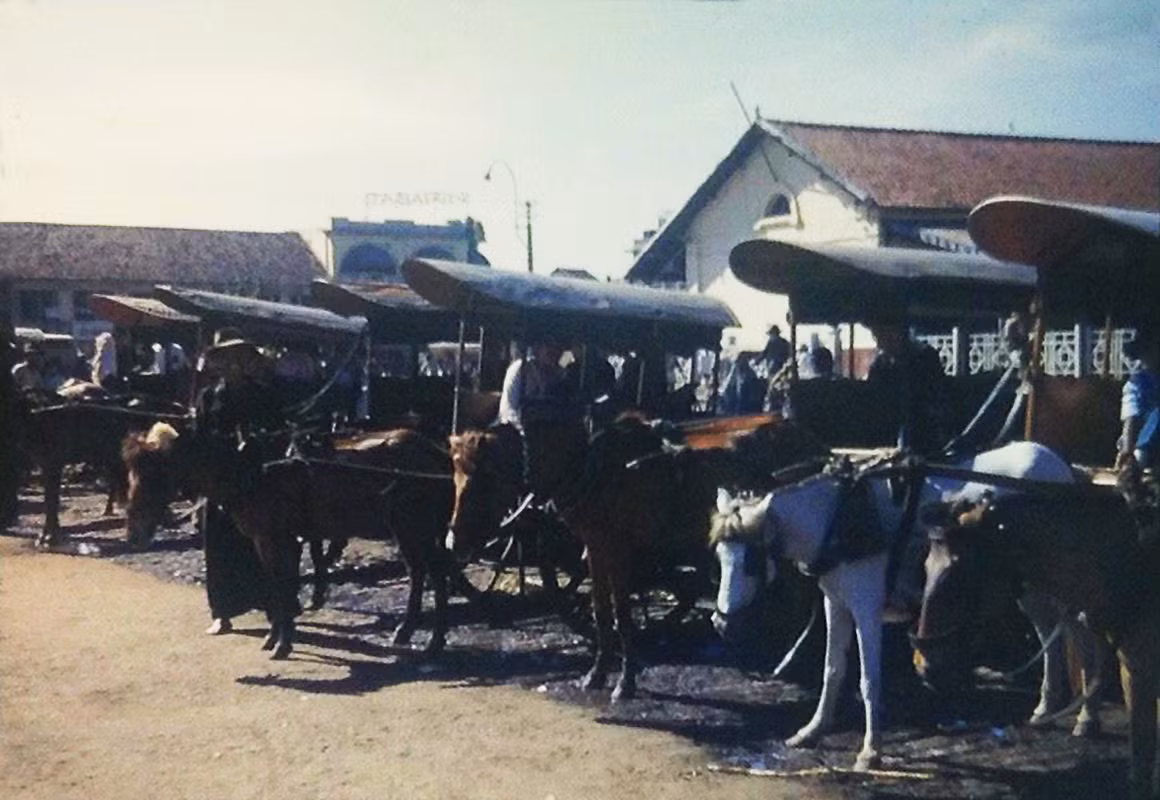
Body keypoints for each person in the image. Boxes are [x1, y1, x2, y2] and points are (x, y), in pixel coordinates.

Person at [194, 333, 283, 635]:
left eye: (240, 358)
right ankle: (222, 612)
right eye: (227, 358)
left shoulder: (264, 394)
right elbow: (200, 438)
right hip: (221, 480)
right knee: (217, 544)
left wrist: (256, 441)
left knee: (267, 545)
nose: (233, 364)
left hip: (256, 477)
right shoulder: (208, 397)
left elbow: (278, 431)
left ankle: (275, 607)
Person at [867, 322, 949, 455]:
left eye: (883, 336)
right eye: (877, 337)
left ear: (898, 332)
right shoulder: (880, 365)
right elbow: (872, 402)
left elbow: (938, 399)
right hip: (887, 443)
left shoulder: (925, 357)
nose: (880, 344)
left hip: (924, 440)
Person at [497, 338, 569, 427]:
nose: (554, 352)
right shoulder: (520, 369)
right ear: (537, 349)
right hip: (520, 430)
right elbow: (508, 410)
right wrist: (522, 432)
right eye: (549, 348)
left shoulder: (562, 375)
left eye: (558, 348)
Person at [1115, 335, 1159, 473]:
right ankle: (1140, 457)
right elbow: (1130, 418)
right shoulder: (1137, 383)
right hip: (1145, 443)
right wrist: (1127, 452)